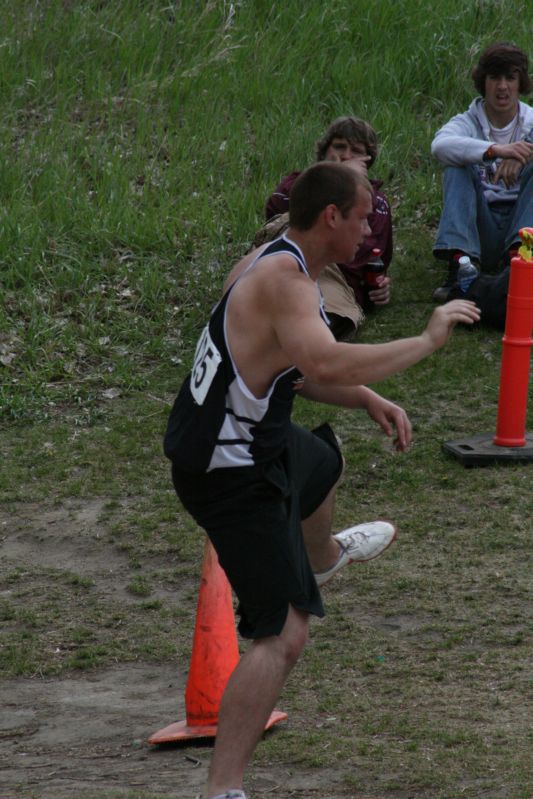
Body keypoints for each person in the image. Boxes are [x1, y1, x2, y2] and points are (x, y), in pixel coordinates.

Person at [164, 162, 479, 799]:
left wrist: (363, 398)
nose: (371, 230)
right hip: (229, 471)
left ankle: (324, 557)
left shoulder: (278, 261)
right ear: (331, 216)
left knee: (323, 463)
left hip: (261, 443)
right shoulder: (284, 280)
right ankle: (223, 789)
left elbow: (293, 371)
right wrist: (426, 338)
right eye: (363, 217)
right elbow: (322, 357)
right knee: (282, 634)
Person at [262, 116, 393, 339]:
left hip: (335, 280)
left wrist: (377, 286)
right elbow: (278, 221)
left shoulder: (377, 204)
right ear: (324, 152)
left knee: (321, 320)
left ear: (366, 161)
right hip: (293, 263)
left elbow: (370, 257)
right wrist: (334, 180)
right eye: (339, 147)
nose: (345, 156)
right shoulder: (295, 185)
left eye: (356, 151)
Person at [431, 42, 533, 305]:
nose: (502, 86)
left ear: (520, 82)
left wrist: (524, 156)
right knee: (456, 163)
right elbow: (440, 146)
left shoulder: (530, 120)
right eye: (494, 77)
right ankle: (462, 267)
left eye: (510, 78)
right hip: (481, 227)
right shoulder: (467, 121)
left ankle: (518, 263)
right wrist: (497, 150)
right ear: (483, 82)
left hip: (521, 224)